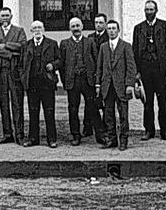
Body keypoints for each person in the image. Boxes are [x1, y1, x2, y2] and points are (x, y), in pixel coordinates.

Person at [131, 0, 166, 141]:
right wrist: (137, 71)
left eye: (151, 9)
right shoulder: (138, 28)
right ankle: (148, 130)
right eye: (147, 10)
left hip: (160, 70)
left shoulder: (164, 26)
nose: (149, 12)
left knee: (162, 102)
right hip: (145, 70)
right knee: (147, 102)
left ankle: (165, 131)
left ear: (156, 10)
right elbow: (134, 50)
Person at [95, 18, 139, 150]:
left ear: (118, 31)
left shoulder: (126, 46)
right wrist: (98, 85)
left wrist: (130, 84)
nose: (111, 31)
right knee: (108, 115)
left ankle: (124, 140)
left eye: (114, 28)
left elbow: (131, 67)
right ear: (106, 31)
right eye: (109, 29)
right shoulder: (103, 47)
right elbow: (99, 67)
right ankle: (112, 139)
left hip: (122, 87)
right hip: (107, 86)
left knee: (123, 115)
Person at [58, 15, 100, 146]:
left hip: (88, 79)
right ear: (69, 28)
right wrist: (65, 81)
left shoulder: (90, 41)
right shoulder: (64, 43)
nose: (76, 28)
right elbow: (61, 64)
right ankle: (75, 135)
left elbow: (97, 60)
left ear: (82, 27)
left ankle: (100, 134)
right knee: (73, 108)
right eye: (73, 26)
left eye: (77, 26)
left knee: (93, 106)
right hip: (73, 80)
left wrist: (95, 79)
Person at [0, 7, 26, 144]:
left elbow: (22, 46)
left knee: (17, 103)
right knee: (4, 104)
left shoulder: (19, 31)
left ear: (11, 16)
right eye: (2, 15)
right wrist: (10, 53)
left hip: (14, 72)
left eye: (7, 15)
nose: (4, 18)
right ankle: (7, 134)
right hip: (0, 72)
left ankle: (19, 134)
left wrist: (5, 45)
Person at [20, 20, 60, 147]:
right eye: (34, 28)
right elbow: (21, 64)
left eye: (39, 27)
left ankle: (52, 139)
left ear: (43, 29)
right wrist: (23, 77)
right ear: (31, 31)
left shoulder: (52, 44)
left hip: (47, 83)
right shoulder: (26, 45)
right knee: (33, 112)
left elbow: (60, 60)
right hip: (32, 84)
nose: (37, 30)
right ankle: (33, 138)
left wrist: (52, 65)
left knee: (49, 111)